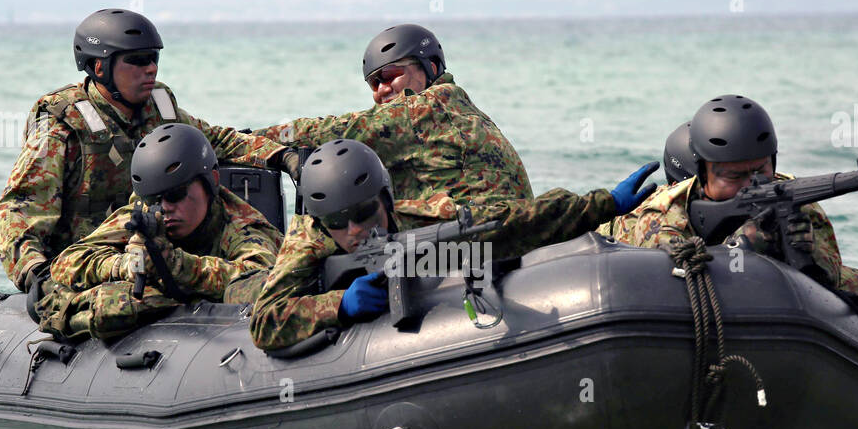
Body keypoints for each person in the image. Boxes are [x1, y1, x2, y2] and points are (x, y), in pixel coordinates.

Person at [249, 139, 660, 351]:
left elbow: (513, 221)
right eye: (339, 222)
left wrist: (603, 203)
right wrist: (338, 304)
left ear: (387, 200)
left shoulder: (423, 218)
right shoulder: (307, 241)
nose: (354, 230)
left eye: (364, 214)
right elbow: (263, 321)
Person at [0, 8, 296, 296]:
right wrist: (34, 272)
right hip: (89, 263)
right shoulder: (63, 125)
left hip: (157, 247)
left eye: (153, 58)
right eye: (137, 60)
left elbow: (215, 141)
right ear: (101, 67)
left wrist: (281, 156)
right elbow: (20, 207)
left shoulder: (159, 107)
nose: (150, 68)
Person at [609, 95, 858, 354]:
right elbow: (664, 278)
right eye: (733, 177)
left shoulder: (791, 195)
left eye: (760, 170)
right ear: (701, 174)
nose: (750, 185)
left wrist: (803, 252)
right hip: (678, 306)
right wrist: (741, 246)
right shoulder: (664, 211)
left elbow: (828, 278)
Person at [249, 24, 532, 227]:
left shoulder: (425, 109)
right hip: (494, 233)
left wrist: (243, 139)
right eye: (374, 83)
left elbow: (327, 131)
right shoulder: (459, 109)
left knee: (334, 225)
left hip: (477, 238)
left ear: (431, 67)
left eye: (390, 75)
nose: (382, 89)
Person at [36, 124, 282, 341]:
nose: (165, 208)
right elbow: (65, 263)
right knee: (119, 304)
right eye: (154, 198)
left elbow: (262, 281)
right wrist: (123, 266)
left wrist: (177, 265)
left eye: (176, 195)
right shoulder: (146, 213)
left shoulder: (242, 225)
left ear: (211, 182)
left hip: (227, 327)